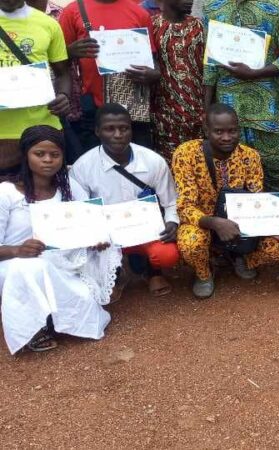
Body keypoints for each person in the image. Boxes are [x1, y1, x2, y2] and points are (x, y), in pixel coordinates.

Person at [0, 125, 122, 354]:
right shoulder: (6, 193)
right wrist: (18, 250)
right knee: (30, 269)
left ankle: (52, 318)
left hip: (62, 263)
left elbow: (89, 224)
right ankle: (31, 329)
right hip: (13, 265)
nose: (48, 160)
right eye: (39, 154)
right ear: (26, 156)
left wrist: (95, 239)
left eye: (55, 155)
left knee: (85, 303)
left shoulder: (69, 188)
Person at [172, 104, 279, 299]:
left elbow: (257, 200)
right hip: (202, 223)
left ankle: (242, 259)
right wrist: (215, 222)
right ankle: (204, 273)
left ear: (239, 129)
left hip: (241, 226)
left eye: (232, 131)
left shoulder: (250, 156)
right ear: (206, 130)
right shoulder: (186, 154)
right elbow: (185, 207)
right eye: (219, 132)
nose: (227, 137)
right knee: (191, 243)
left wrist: (275, 224)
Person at [70, 103, 180, 298]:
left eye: (124, 128)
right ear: (97, 131)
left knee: (167, 255)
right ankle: (115, 272)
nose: (118, 134)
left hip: (146, 232)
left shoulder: (153, 161)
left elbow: (170, 202)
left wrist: (172, 222)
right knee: (85, 251)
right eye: (109, 129)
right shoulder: (83, 168)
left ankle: (152, 271)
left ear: (131, 129)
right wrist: (94, 235)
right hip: (107, 237)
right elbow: (82, 212)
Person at [203, 0, 279, 192]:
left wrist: (255, 73)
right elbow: (210, 67)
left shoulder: (272, 8)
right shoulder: (212, 8)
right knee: (231, 178)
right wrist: (206, 111)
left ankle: (274, 219)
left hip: (266, 114)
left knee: (272, 176)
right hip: (228, 116)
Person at [59, 0, 160, 151]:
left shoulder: (139, 13)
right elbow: (57, 62)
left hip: (132, 106)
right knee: (94, 165)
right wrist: (69, 51)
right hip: (92, 107)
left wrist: (152, 74)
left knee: (137, 163)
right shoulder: (72, 11)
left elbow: (153, 62)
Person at [0, 0, 71, 178]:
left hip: (42, 131)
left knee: (43, 199)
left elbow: (62, 73)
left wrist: (63, 95)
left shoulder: (48, 24)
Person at [152, 0, 205, 161]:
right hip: (164, 114)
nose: (189, 1)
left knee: (197, 164)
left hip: (198, 112)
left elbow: (209, 68)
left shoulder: (199, 27)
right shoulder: (152, 26)